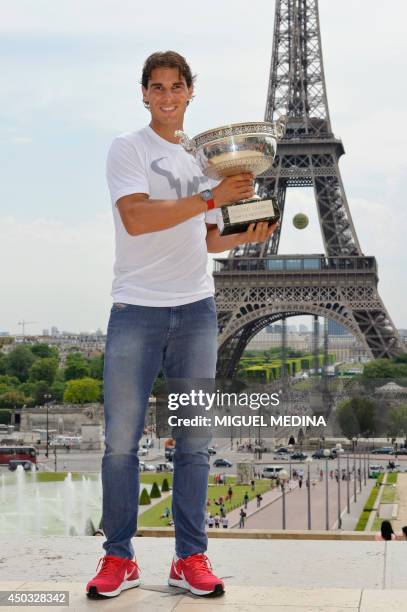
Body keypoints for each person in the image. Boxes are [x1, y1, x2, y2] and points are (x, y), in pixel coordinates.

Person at [86, 50, 277, 600]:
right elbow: (137, 217)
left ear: (191, 92)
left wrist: (247, 234)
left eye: (177, 86)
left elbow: (212, 238)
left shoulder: (207, 160)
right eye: (157, 87)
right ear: (144, 94)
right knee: (120, 444)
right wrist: (211, 197)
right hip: (137, 310)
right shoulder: (128, 148)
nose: (167, 95)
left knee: (194, 445)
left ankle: (189, 556)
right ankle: (118, 558)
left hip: (195, 309)